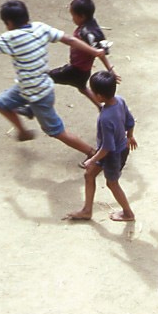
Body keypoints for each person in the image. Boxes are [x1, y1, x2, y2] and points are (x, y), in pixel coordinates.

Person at [0, 0, 107, 156]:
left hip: (39, 96)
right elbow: (69, 39)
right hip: (31, 87)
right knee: (1, 102)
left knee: (57, 131)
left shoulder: (11, 37)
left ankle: (92, 154)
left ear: (9, 23)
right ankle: (23, 131)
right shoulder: (40, 27)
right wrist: (93, 51)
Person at [18, 0, 116, 113]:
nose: (72, 19)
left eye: (73, 16)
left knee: (46, 78)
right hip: (85, 71)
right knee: (82, 88)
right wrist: (110, 69)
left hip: (75, 70)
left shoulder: (86, 33)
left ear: (82, 16)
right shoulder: (92, 26)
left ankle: (32, 108)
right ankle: (100, 107)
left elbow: (100, 53)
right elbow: (100, 51)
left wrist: (110, 68)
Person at [64, 71, 138, 222]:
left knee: (112, 183)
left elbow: (107, 147)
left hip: (112, 155)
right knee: (89, 175)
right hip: (119, 149)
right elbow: (130, 121)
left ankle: (128, 213)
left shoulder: (105, 118)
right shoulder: (120, 100)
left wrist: (92, 160)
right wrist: (130, 136)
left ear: (99, 96)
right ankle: (87, 211)